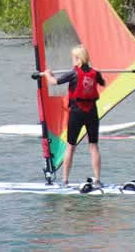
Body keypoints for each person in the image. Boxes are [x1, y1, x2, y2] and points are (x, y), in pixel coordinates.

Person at [43, 45, 105, 187]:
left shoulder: (73, 73)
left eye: (73, 57)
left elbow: (54, 82)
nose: (72, 60)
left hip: (77, 113)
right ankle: (97, 179)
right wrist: (97, 73)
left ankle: (65, 180)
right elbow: (102, 83)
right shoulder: (95, 73)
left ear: (78, 59)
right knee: (94, 146)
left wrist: (47, 74)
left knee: (70, 146)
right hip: (92, 112)